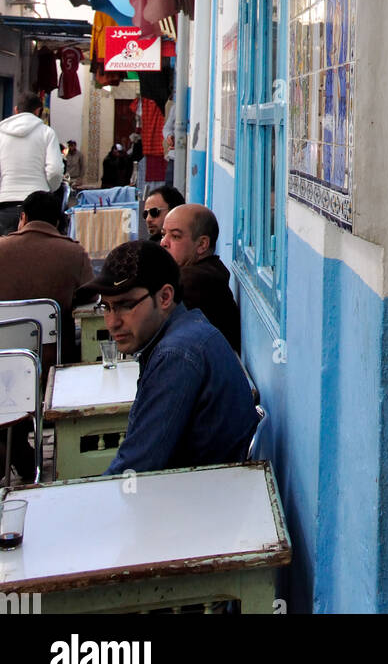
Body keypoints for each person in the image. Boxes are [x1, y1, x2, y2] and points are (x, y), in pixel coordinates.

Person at [76, 242, 258, 474]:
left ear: (164, 297)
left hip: (200, 499)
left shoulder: (176, 355)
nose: (112, 322)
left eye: (125, 305)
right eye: (107, 307)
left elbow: (135, 467)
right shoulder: (190, 327)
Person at [0, 190, 95, 480]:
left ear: (23, 218)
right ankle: (27, 458)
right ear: (59, 222)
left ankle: (17, 452)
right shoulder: (74, 252)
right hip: (50, 370)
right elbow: (90, 299)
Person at [159, 205, 241, 351]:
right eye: (163, 234)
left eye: (175, 236)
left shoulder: (194, 281)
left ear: (202, 244)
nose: (163, 242)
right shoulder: (208, 269)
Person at [0, 93, 64, 236]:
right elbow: (55, 171)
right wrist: (48, 190)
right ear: (38, 111)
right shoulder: (47, 133)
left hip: (5, 204)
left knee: (4, 253)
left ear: (16, 110)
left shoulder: (1, 133)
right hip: (37, 206)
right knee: (36, 252)